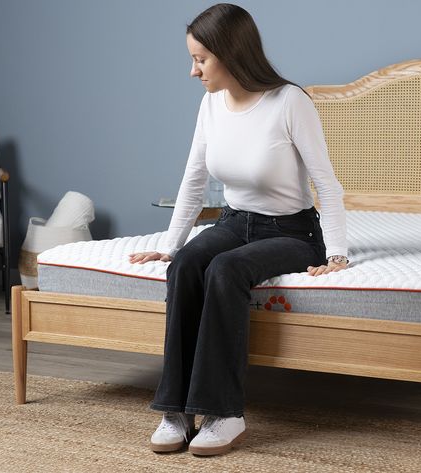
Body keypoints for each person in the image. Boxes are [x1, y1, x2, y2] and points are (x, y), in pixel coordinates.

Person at [127, 3, 349, 457]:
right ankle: (176, 409)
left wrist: (337, 252)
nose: (193, 71)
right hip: (233, 222)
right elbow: (193, 181)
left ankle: (225, 413)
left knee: (226, 270)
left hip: (291, 232)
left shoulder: (290, 102)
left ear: (231, 53)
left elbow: (326, 182)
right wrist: (171, 247)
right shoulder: (210, 104)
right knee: (188, 265)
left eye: (201, 59)